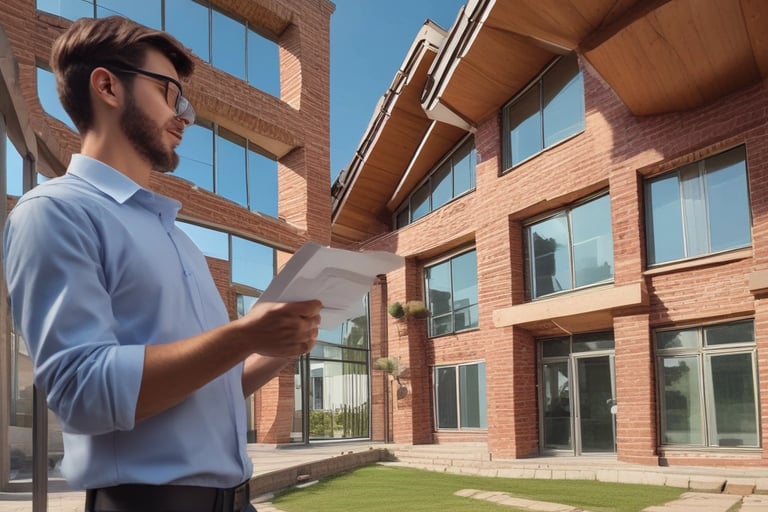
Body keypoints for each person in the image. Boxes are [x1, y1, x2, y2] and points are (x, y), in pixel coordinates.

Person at [3, 15, 322, 512]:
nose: (185, 117)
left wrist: (275, 346)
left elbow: (207, 387)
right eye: (170, 93)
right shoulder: (54, 213)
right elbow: (81, 390)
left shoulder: (177, 238)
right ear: (107, 86)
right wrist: (242, 336)